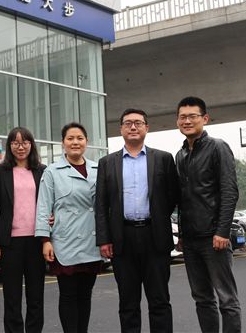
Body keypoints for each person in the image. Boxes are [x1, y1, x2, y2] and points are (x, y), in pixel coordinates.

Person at [95, 109, 180, 333]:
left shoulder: (163, 159)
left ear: (146, 128)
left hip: (155, 236)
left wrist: (159, 217)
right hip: (122, 238)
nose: (133, 127)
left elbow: (173, 196)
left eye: (138, 123)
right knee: (128, 303)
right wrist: (104, 239)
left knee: (160, 300)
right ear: (121, 129)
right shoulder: (107, 163)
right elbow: (101, 204)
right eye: (128, 123)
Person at [175, 96, 242, 333]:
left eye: (192, 116)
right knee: (202, 299)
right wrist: (182, 235)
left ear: (205, 118)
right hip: (191, 240)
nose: (187, 121)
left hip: (214, 238)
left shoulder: (218, 147)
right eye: (182, 117)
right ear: (177, 121)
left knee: (227, 299)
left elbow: (229, 191)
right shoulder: (181, 155)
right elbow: (183, 199)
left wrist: (222, 231)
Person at [35, 122, 102, 333]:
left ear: (86, 142)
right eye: (70, 138)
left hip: (92, 242)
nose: (75, 142)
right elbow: (43, 207)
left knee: (85, 295)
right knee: (68, 295)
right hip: (65, 241)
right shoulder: (52, 172)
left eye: (79, 138)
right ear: (63, 143)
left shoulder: (98, 169)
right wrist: (45, 240)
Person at [0, 127, 47, 333]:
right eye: (15, 143)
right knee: (12, 297)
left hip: (36, 241)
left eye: (25, 142)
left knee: (36, 296)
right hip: (10, 243)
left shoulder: (42, 170)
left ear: (31, 145)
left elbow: (49, 204)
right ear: (9, 146)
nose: (20, 147)